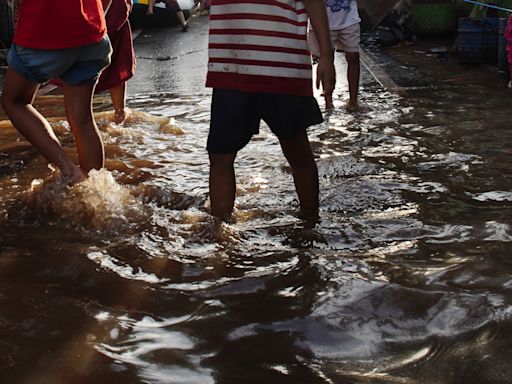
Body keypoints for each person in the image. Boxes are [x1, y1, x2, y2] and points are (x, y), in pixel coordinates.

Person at [205, 0, 335, 220]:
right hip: (231, 68)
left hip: (284, 67)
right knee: (220, 156)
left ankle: (311, 222)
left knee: (298, 151)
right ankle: (219, 233)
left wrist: (327, 56)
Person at [0, 0, 112, 185]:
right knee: (83, 120)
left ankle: (68, 170)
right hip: (92, 36)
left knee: (14, 101)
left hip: (42, 36)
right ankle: (94, 187)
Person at [308, 0, 361, 110]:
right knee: (325, 60)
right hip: (321, 21)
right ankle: (328, 102)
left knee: (353, 57)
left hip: (349, 19)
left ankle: (353, 101)